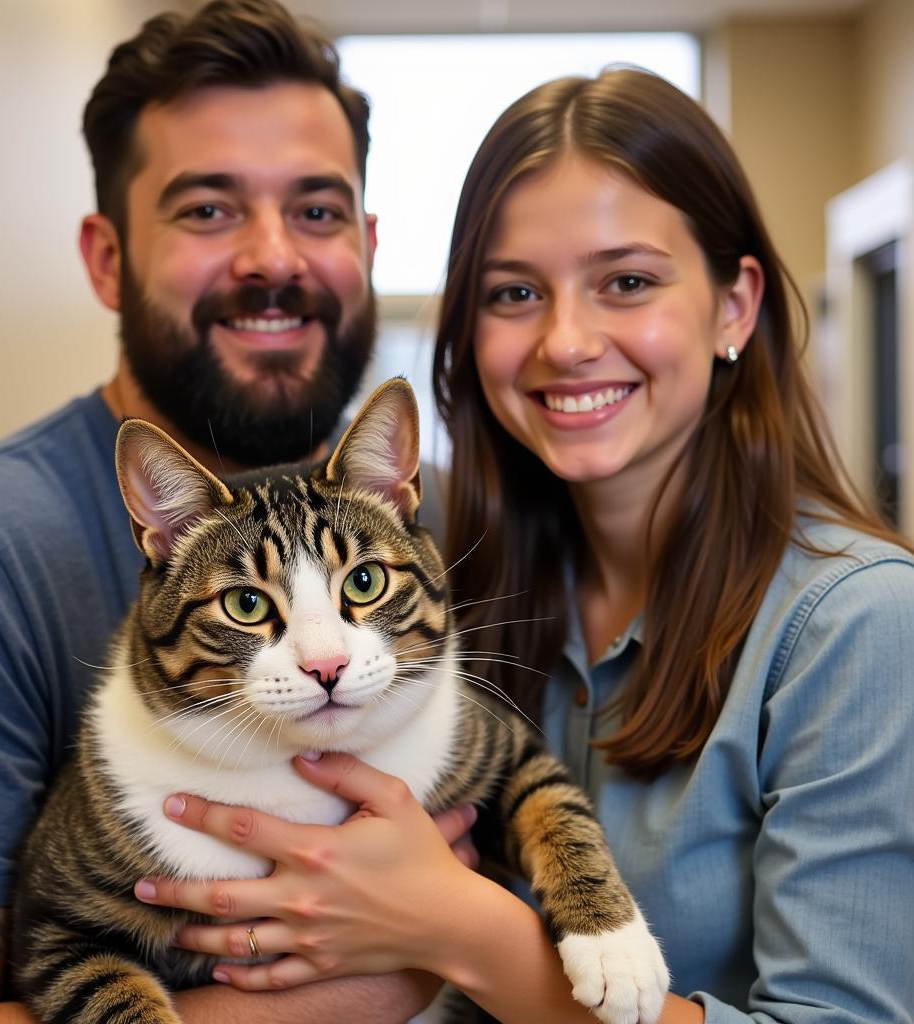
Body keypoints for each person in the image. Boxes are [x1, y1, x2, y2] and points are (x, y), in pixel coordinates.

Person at [129, 69, 914, 1023]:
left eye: (627, 281)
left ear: (734, 306)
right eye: (514, 293)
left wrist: (463, 932)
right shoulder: (455, 575)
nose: (568, 341)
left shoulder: (862, 624)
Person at [0, 2, 458, 1021]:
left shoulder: (432, 519)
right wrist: (395, 974)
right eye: (208, 210)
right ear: (107, 257)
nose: (273, 259)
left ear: (368, 245)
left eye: (319, 212)